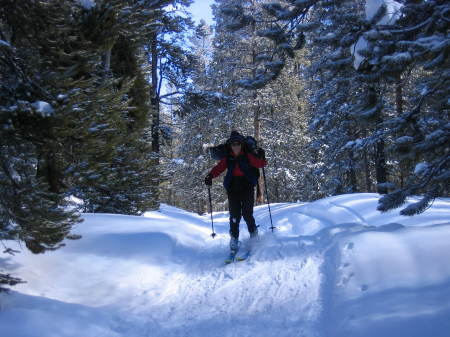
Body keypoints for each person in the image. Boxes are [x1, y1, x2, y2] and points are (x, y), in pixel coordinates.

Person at [204, 131, 267, 255]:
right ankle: (234, 240)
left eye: (238, 144)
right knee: (234, 216)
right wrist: (210, 176)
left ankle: (254, 236)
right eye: (233, 144)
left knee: (247, 214)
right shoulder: (228, 157)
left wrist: (262, 156)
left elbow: (260, 164)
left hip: (247, 186)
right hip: (233, 188)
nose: (236, 146)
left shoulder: (248, 155)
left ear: (242, 144)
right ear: (230, 145)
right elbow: (219, 168)